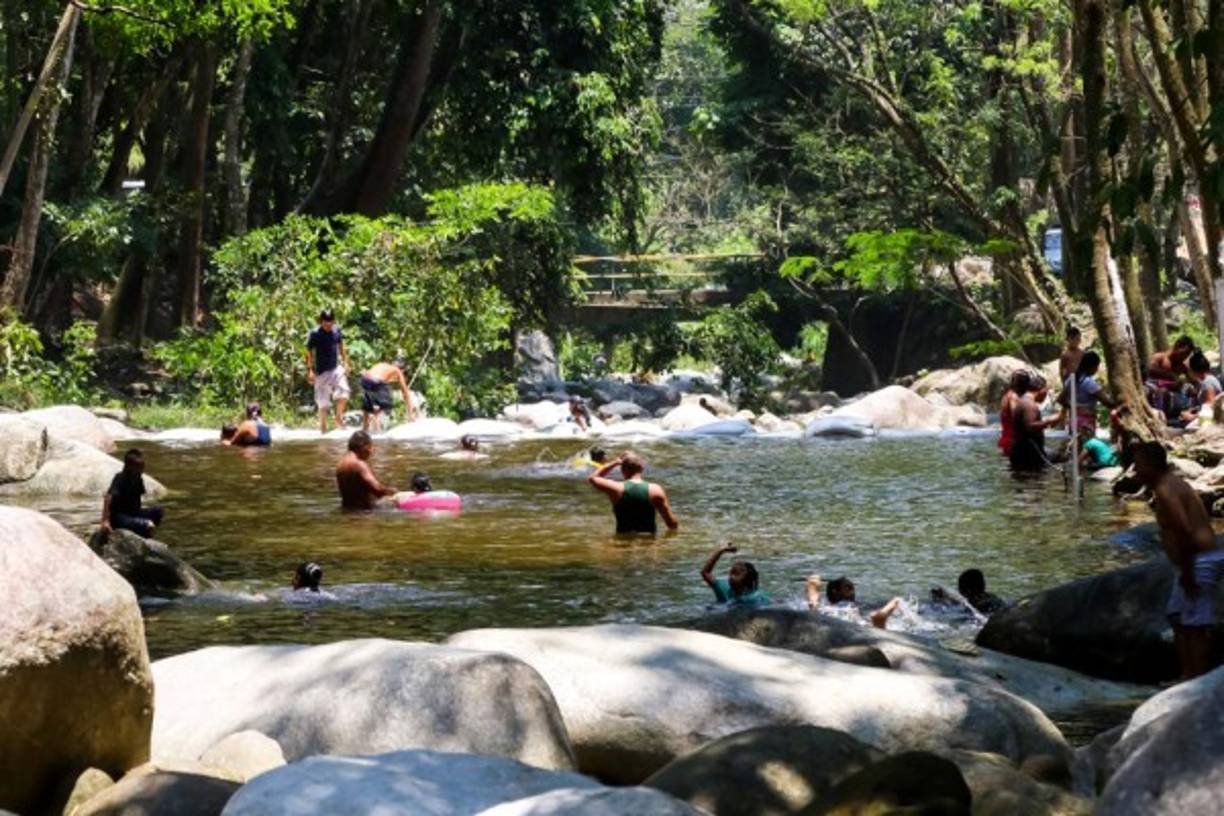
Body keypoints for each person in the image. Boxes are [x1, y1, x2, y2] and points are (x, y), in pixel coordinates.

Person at [1133, 441, 1224, 679]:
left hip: (1199, 559)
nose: (1135, 471)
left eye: (1139, 465)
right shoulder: (1168, 484)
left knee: (1194, 623)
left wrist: (1188, 572)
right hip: (1193, 559)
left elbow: (1184, 530)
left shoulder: (1166, 488)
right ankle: (1187, 674)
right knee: (1177, 616)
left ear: (1152, 465)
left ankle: (1197, 680)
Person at [588, 451, 679, 534]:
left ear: (622, 470)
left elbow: (593, 478)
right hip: (649, 546)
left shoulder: (616, 488)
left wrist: (614, 463)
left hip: (623, 545)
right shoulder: (656, 490)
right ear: (642, 468)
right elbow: (672, 524)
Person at [306, 309, 352, 433]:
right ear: (321, 322)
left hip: (336, 368)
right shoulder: (315, 333)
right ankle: (323, 427)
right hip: (321, 372)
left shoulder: (336, 330)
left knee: (344, 392)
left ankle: (338, 417)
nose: (328, 327)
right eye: (326, 324)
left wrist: (346, 362)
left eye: (330, 324)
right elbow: (308, 351)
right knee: (323, 403)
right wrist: (310, 370)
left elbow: (342, 346)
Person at [101, 449, 164, 538]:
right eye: (139, 467)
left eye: (142, 466)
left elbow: (138, 499)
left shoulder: (139, 479)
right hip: (119, 517)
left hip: (134, 513)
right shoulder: (120, 478)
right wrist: (105, 521)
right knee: (146, 525)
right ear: (129, 467)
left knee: (158, 510)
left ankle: (143, 532)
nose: (142, 469)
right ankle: (142, 529)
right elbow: (108, 497)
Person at [806, 575, 901, 629]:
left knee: (815, 609)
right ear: (835, 591)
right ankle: (879, 623)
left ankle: (879, 621)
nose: (852, 590)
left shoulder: (827, 606)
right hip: (855, 616)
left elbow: (813, 602)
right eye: (848, 587)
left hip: (846, 616)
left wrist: (813, 585)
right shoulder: (850, 606)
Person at [336, 431, 397, 510]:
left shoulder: (340, 464)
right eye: (370, 447)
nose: (371, 451)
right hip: (363, 514)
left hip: (347, 511)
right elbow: (378, 490)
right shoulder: (359, 464)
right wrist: (395, 492)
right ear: (364, 447)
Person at [1060, 351, 1115, 435]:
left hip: (1073, 420)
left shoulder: (1071, 380)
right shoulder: (1089, 383)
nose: (1097, 369)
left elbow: (1060, 399)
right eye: (1097, 366)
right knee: (1087, 446)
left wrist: (1073, 407)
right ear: (1092, 367)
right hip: (1086, 422)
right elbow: (1107, 402)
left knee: (1075, 445)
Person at [700, 543, 770, 607]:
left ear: (747, 579)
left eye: (736, 574)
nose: (731, 577)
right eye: (730, 573)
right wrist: (721, 551)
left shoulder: (756, 597)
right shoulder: (724, 588)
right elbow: (705, 573)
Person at [359, 359, 416, 432]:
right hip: (376, 381)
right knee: (387, 403)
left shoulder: (383, 365)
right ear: (402, 370)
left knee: (368, 406)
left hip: (365, 379)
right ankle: (373, 419)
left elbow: (373, 376)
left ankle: (365, 428)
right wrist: (410, 414)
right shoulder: (397, 370)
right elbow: (405, 393)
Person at [1147, 336, 1196, 416]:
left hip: (1173, 393)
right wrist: (1170, 376)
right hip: (1156, 388)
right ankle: (1160, 417)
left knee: (1189, 389)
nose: (1184, 357)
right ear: (1177, 345)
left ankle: (1186, 413)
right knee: (1162, 391)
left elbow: (1193, 380)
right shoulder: (1160, 357)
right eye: (1183, 354)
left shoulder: (1182, 366)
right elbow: (1149, 369)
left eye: (1187, 355)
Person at [1009, 374, 1049, 472]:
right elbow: (1031, 427)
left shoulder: (1023, 401)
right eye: (1046, 390)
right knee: (1033, 483)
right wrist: (1048, 421)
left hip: (1020, 451)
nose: (1046, 394)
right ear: (1041, 389)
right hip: (1027, 454)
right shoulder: (1029, 405)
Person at [1178, 351, 1222, 425]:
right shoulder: (1207, 380)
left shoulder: (1208, 382)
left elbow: (1211, 405)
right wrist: (1193, 410)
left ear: (1194, 370)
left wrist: (1192, 417)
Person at [998, 370, 1031, 458]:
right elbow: (1016, 418)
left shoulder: (1007, 395)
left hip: (1006, 439)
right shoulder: (1013, 397)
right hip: (1013, 441)